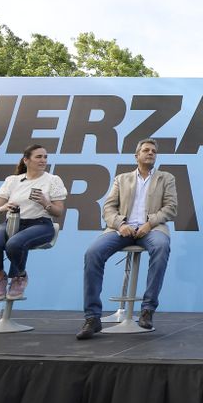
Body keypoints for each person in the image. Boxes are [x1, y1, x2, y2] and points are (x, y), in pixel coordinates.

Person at [76, 139, 178, 339]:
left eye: (153, 151)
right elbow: (108, 208)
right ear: (136, 156)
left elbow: (170, 207)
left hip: (152, 229)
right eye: (146, 150)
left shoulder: (166, 178)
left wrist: (149, 224)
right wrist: (120, 224)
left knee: (161, 247)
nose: (150, 153)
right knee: (92, 253)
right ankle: (92, 317)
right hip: (122, 230)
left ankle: (148, 310)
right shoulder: (121, 179)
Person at [0, 144, 67, 301]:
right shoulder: (12, 181)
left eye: (45, 157)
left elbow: (58, 212)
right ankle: (0, 276)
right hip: (12, 223)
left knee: (14, 244)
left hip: (41, 224)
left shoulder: (53, 180)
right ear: (26, 160)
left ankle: (20, 276)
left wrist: (45, 203)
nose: (43, 160)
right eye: (39, 157)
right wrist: (3, 208)